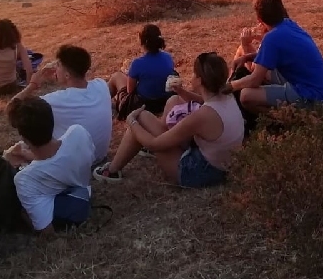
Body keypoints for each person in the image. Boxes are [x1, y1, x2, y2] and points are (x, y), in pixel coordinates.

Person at [93, 53, 244, 187]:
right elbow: (202, 101)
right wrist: (180, 91)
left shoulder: (202, 116)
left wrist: (131, 121)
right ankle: (119, 164)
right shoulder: (226, 94)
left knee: (140, 118)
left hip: (199, 171)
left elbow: (154, 144)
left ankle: (112, 170)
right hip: (222, 163)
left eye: (194, 74)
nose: (191, 77)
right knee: (164, 106)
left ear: (199, 80)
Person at [5, 97, 96, 235]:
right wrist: (26, 154)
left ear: (24, 138)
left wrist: (23, 214)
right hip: (82, 187)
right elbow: (57, 160)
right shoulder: (78, 133)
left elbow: (46, 230)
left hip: (67, 204)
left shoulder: (25, 179)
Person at [230, 0, 323, 112]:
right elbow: (268, 58)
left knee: (246, 96)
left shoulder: (272, 38)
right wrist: (247, 57)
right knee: (266, 73)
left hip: (311, 95)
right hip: (322, 89)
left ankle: (282, 119)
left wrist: (230, 86)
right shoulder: (289, 24)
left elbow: (255, 80)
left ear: (259, 19)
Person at [9, 45, 112, 163]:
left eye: (58, 65)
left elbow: (11, 108)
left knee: (23, 147)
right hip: (100, 156)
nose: (54, 68)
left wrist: (33, 84)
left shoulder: (55, 101)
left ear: (67, 75)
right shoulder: (101, 85)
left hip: (76, 164)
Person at [108, 24, 175, 120]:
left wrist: (129, 74)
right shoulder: (168, 57)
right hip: (163, 102)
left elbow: (130, 90)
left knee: (117, 76)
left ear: (142, 42)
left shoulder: (137, 63)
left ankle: (101, 103)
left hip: (144, 105)